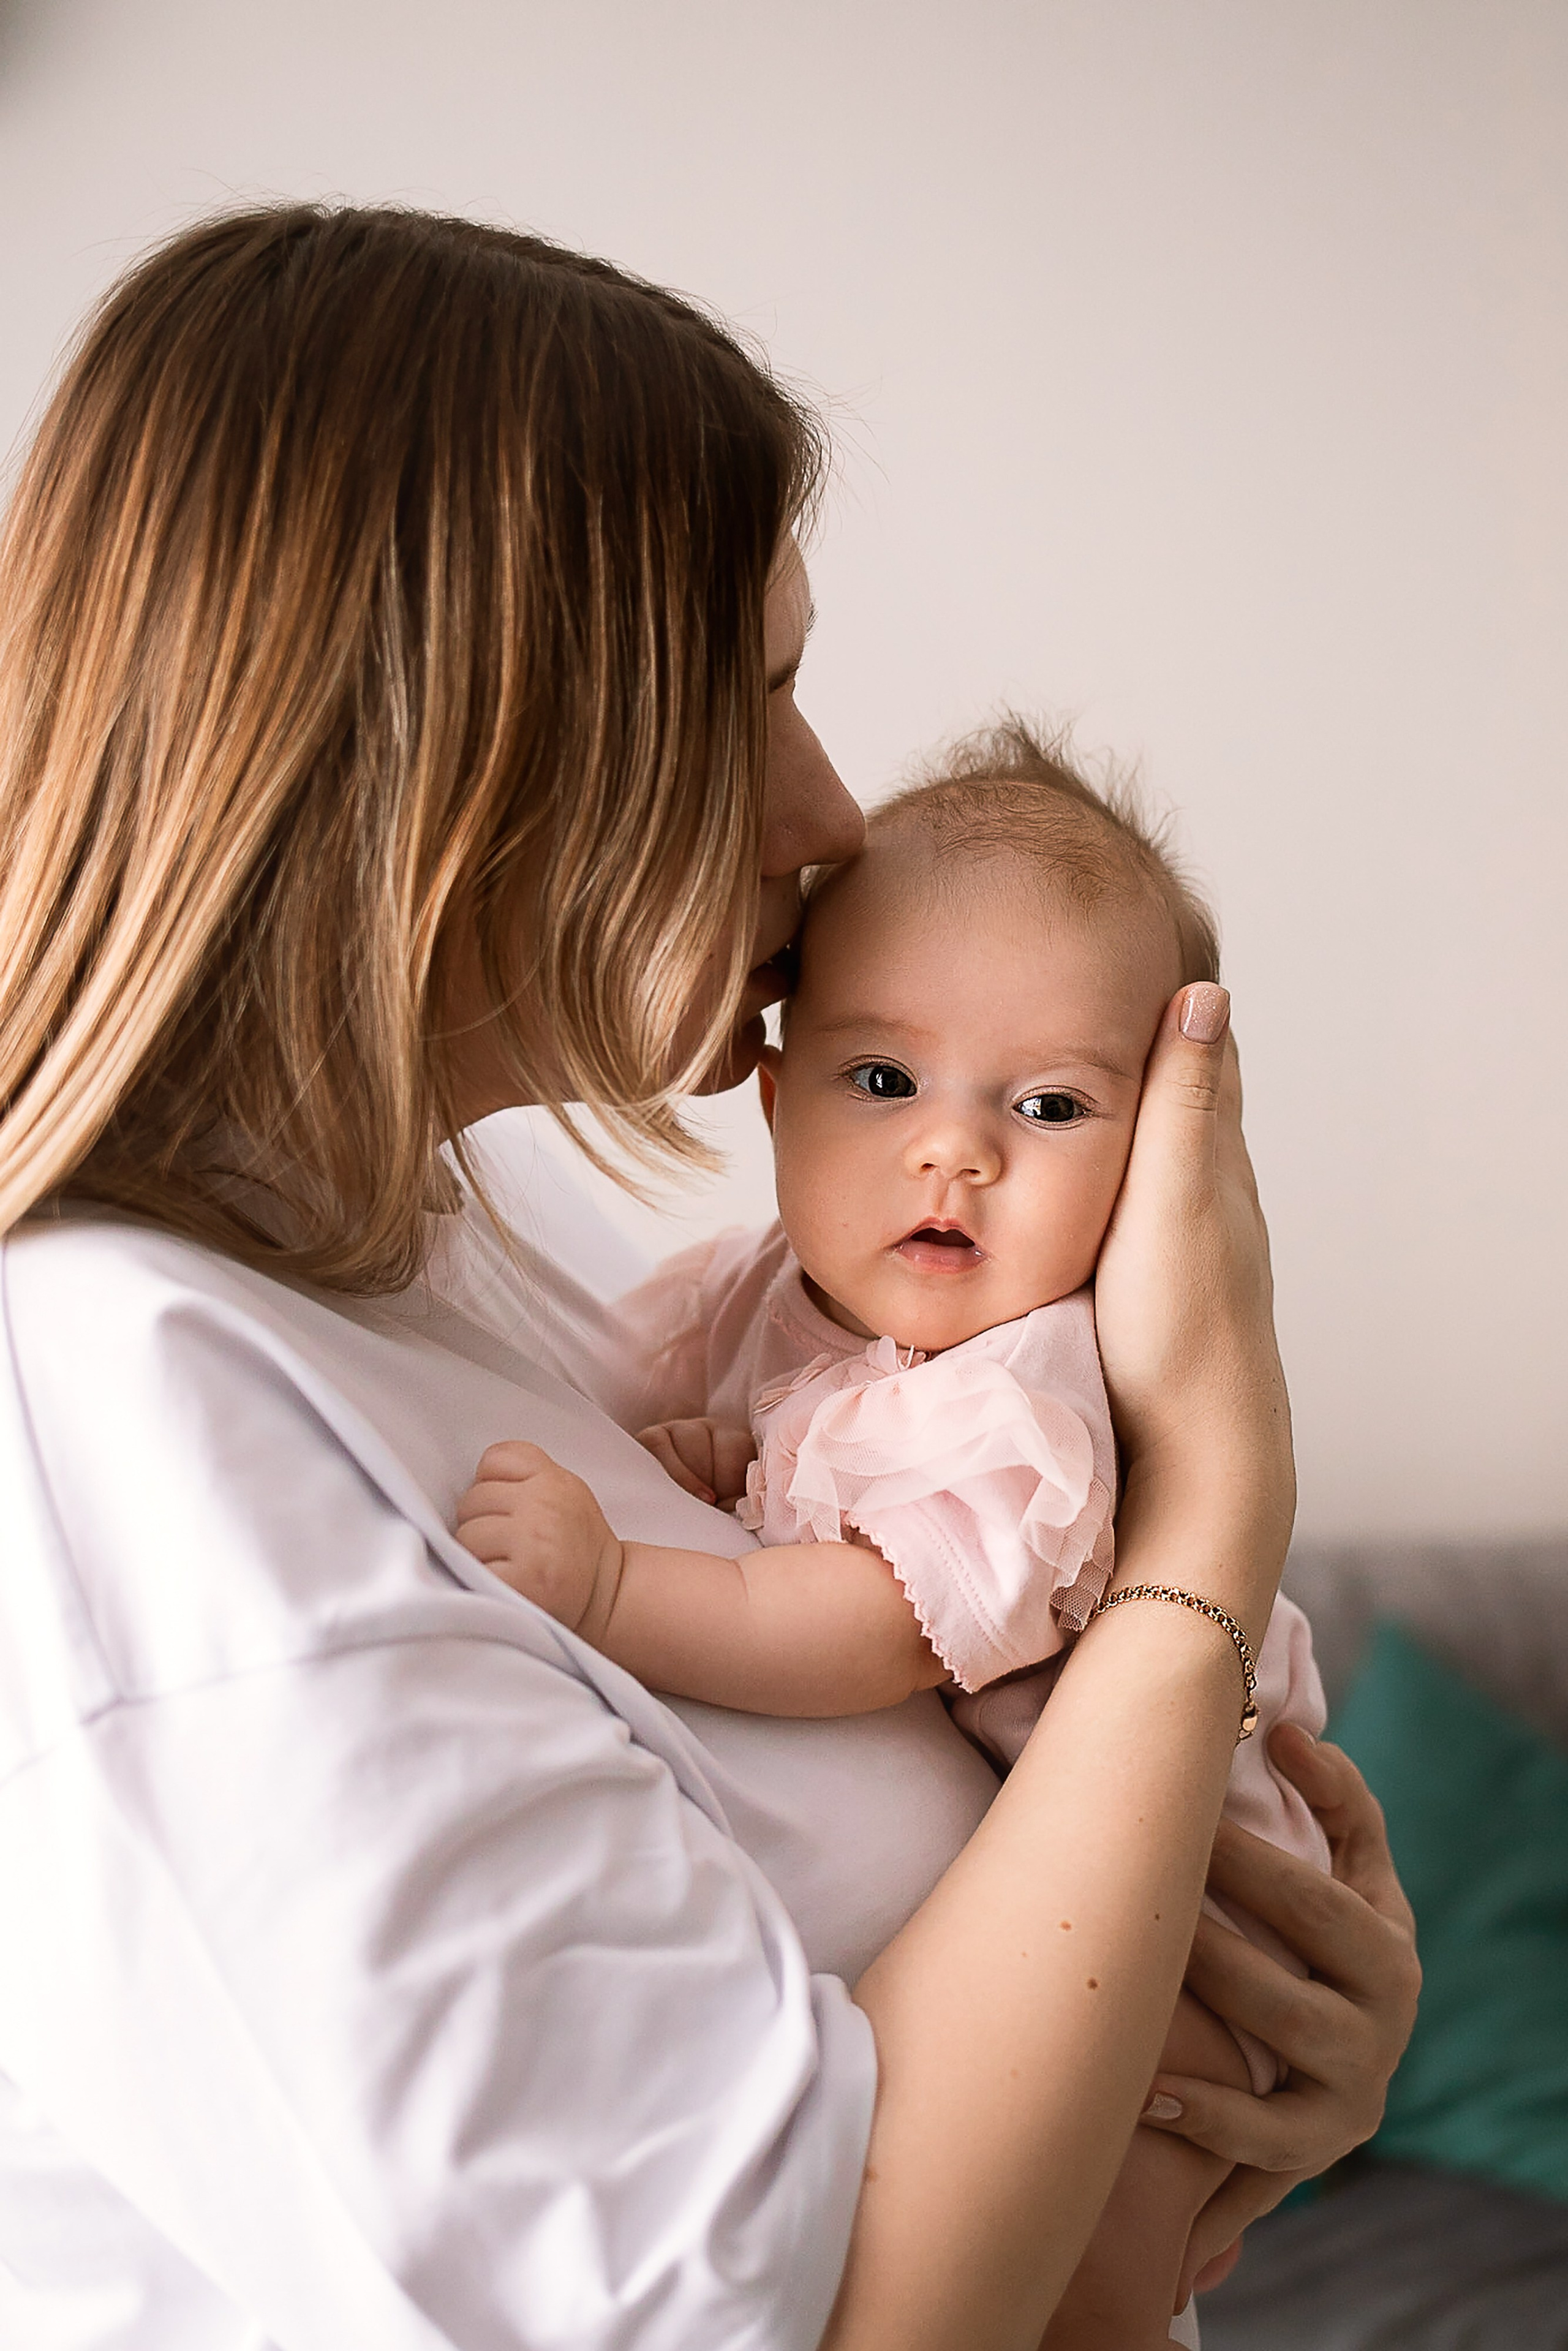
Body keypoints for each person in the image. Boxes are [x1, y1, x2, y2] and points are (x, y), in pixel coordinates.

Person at [0, 203, 1417, 2351]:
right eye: (754, 690)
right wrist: (1210, 1519)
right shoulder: (126, 1415)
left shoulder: (469, 1252)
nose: (836, 811)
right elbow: (816, 2319)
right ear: (469, 742)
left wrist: (1287, 2023)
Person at [453, 734, 1332, 2346]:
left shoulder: (1033, 1398)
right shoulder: (750, 1299)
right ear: (776, 1102)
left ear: (1163, 1173)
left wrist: (620, 1580)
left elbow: (876, 1625)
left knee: (1104, 2275)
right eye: (883, 1081)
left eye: (1052, 1105)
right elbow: (671, 1441)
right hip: (1025, 1913)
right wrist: (710, 1469)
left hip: (1196, 1912)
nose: (955, 1150)